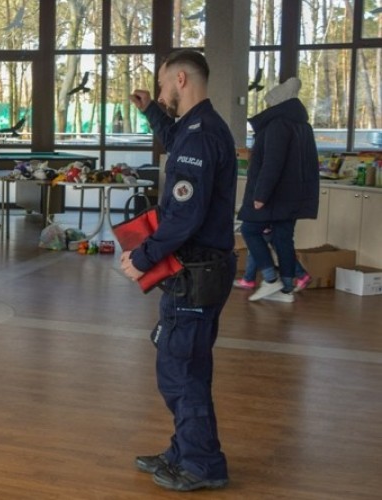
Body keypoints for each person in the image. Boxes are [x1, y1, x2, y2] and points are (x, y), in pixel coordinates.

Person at [121, 50, 236, 492]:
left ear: (182, 79)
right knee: (187, 365)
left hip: (194, 273)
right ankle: (186, 450)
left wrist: (143, 256)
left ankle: (202, 465)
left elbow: (184, 218)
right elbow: (175, 140)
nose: (165, 91)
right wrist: (151, 109)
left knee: (180, 369)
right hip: (197, 270)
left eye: (165, 85)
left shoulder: (202, 135)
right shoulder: (196, 128)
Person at [238, 77, 320, 303]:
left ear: (278, 103)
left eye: (270, 102)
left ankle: (270, 279)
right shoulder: (302, 126)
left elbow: (272, 163)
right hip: (293, 196)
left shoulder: (277, 124)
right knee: (283, 238)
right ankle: (286, 289)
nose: (268, 106)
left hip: (275, 196)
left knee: (250, 230)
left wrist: (260, 195)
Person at [234, 225, 311, 292]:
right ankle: (302, 275)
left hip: (266, 224)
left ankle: (249, 279)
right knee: (281, 251)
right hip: (272, 224)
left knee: (256, 249)